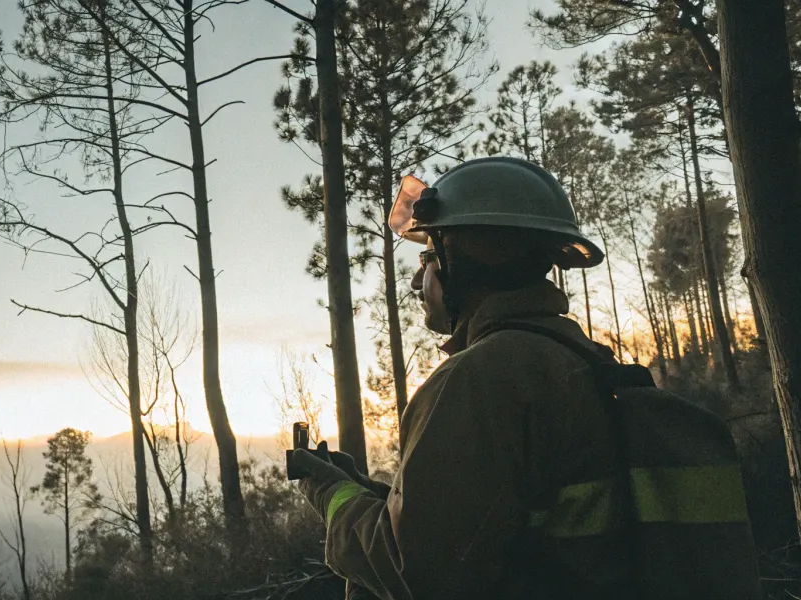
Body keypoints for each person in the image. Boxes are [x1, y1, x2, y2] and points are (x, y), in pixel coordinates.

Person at [291, 157, 761, 599]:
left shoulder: (485, 377)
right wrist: (372, 493)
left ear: (469, 258)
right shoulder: (576, 358)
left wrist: (332, 494)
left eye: (428, 259)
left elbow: (416, 572)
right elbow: (499, 524)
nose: (417, 282)